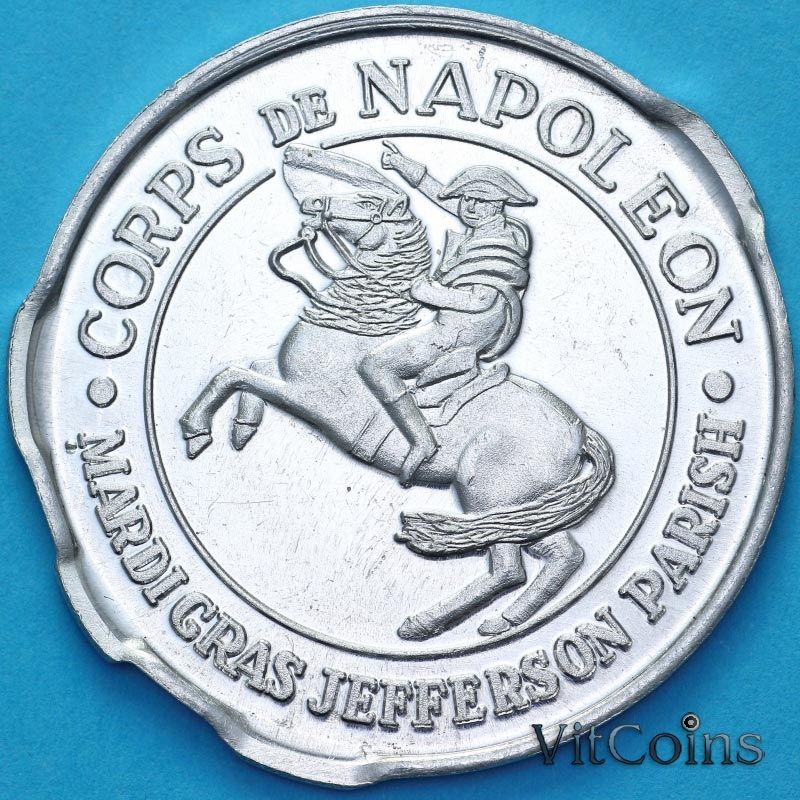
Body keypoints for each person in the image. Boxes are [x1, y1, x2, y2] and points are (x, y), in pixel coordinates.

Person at [357, 141, 537, 486]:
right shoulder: (486, 226)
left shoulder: (499, 242)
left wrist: (430, 293)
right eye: (466, 199)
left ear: (498, 204)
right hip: (458, 322)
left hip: (464, 329)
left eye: (479, 201)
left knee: (374, 365)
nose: (468, 206)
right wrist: (402, 164)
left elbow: (480, 299)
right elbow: (441, 194)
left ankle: (422, 441)